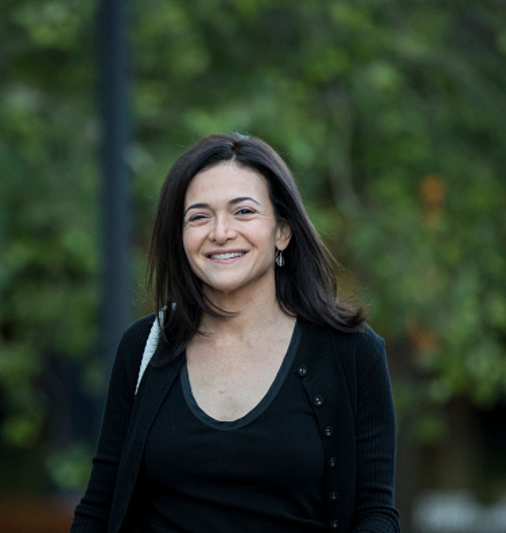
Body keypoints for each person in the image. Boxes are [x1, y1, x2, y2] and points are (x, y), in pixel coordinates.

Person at [71, 133, 400, 532]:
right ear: (181, 238)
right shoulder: (144, 346)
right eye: (198, 216)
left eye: (243, 212)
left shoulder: (352, 351)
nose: (221, 232)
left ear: (282, 232)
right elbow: (98, 508)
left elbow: (376, 513)